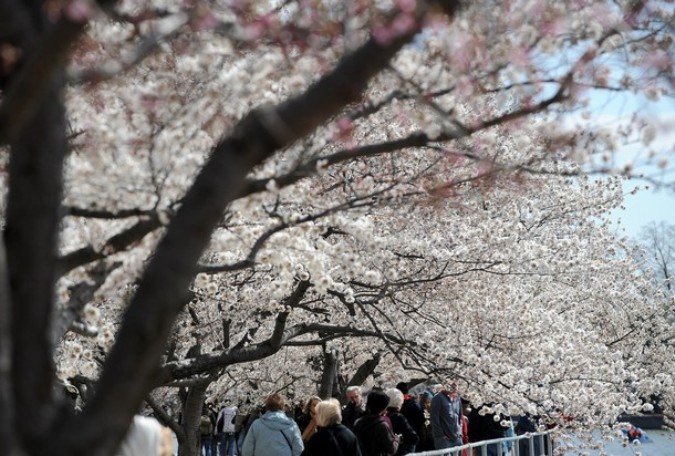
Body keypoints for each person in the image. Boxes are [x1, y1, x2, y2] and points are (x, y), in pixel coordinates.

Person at [353, 389, 399, 456]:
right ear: (383, 407)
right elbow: (391, 449)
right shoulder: (382, 425)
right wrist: (397, 439)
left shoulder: (358, 421)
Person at [385, 388, 419, 455]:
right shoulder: (399, 417)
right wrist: (400, 439)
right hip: (401, 451)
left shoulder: (383, 417)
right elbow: (414, 438)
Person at [430, 383, 463, 450]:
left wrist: (460, 431)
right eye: (452, 384)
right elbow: (434, 418)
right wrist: (441, 435)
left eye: (456, 384)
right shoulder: (438, 398)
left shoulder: (457, 397)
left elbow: (459, 415)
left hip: (457, 437)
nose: (455, 386)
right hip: (444, 439)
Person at [396, 382, 425, 454]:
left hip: (398, 437)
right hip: (412, 434)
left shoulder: (394, 404)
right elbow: (421, 419)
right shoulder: (414, 403)